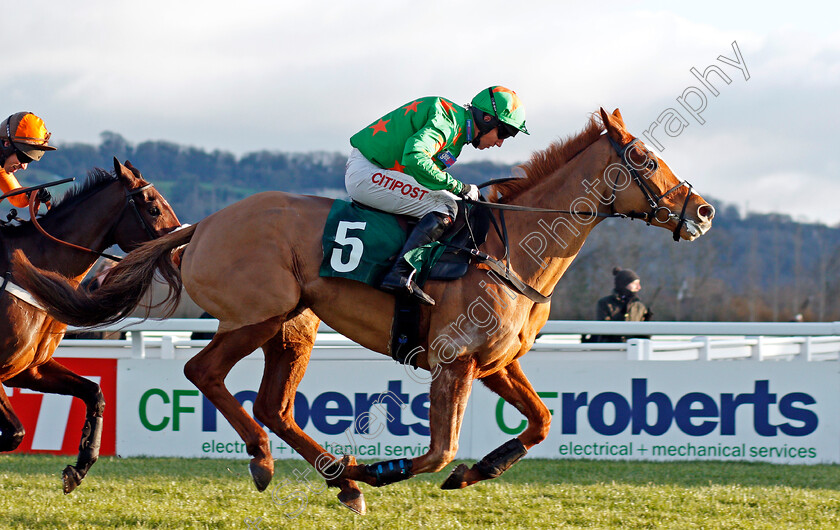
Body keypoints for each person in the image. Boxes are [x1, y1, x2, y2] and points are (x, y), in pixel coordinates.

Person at [345, 86, 528, 305]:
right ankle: (400, 273)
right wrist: (459, 187)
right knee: (446, 206)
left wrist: (459, 191)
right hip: (368, 172)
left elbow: (423, 174)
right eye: (504, 133)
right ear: (486, 119)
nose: (500, 142)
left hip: (380, 170)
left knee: (454, 202)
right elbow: (415, 158)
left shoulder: (457, 131)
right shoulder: (448, 122)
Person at [0, 112, 58, 207]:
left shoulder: (2, 169)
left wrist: (30, 194)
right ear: (7, 144)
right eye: (24, 157)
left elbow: (15, 197)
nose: (24, 167)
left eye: (29, 160)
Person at [584, 267, 652, 343]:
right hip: (610, 349)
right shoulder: (605, 303)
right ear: (624, 284)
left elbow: (643, 335)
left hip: (632, 350)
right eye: (635, 284)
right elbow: (604, 330)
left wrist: (647, 324)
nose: (639, 287)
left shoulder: (640, 307)